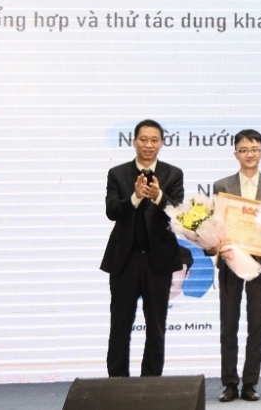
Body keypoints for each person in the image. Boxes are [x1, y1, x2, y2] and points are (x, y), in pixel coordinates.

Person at [102, 119, 184, 377]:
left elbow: (178, 212)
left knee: (156, 324)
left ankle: (152, 381)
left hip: (158, 261)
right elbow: (112, 211)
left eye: (154, 140)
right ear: (134, 141)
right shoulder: (117, 174)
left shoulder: (173, 174)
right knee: (120, 324)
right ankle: (117, 381)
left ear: (162, 143)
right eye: (144, 139)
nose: (149, 145)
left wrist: (158, 196)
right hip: (125, 260)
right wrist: (135, 197)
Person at [212, 129, 261, 402]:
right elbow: (216, 223)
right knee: (228, 324)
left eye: (254, 149)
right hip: (230, 260)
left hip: (260, 262)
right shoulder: (222, 185)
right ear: (236, 154)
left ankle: (250, 383)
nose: (249, 154)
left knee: (256, 323)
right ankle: (229, 383)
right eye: (244, 150)